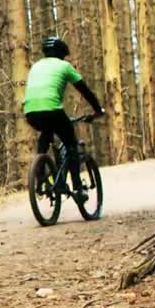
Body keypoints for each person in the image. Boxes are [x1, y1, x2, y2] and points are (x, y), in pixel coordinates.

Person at [23, 36, 103, 202]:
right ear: (62, 53)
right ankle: (78, 188)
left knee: (46, 133)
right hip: (53, 111)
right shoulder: (65, 66)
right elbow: (85, 90)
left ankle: (41, 176)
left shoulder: (35, 66)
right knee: (70, 143)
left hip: (30, 112)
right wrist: (97, 110)